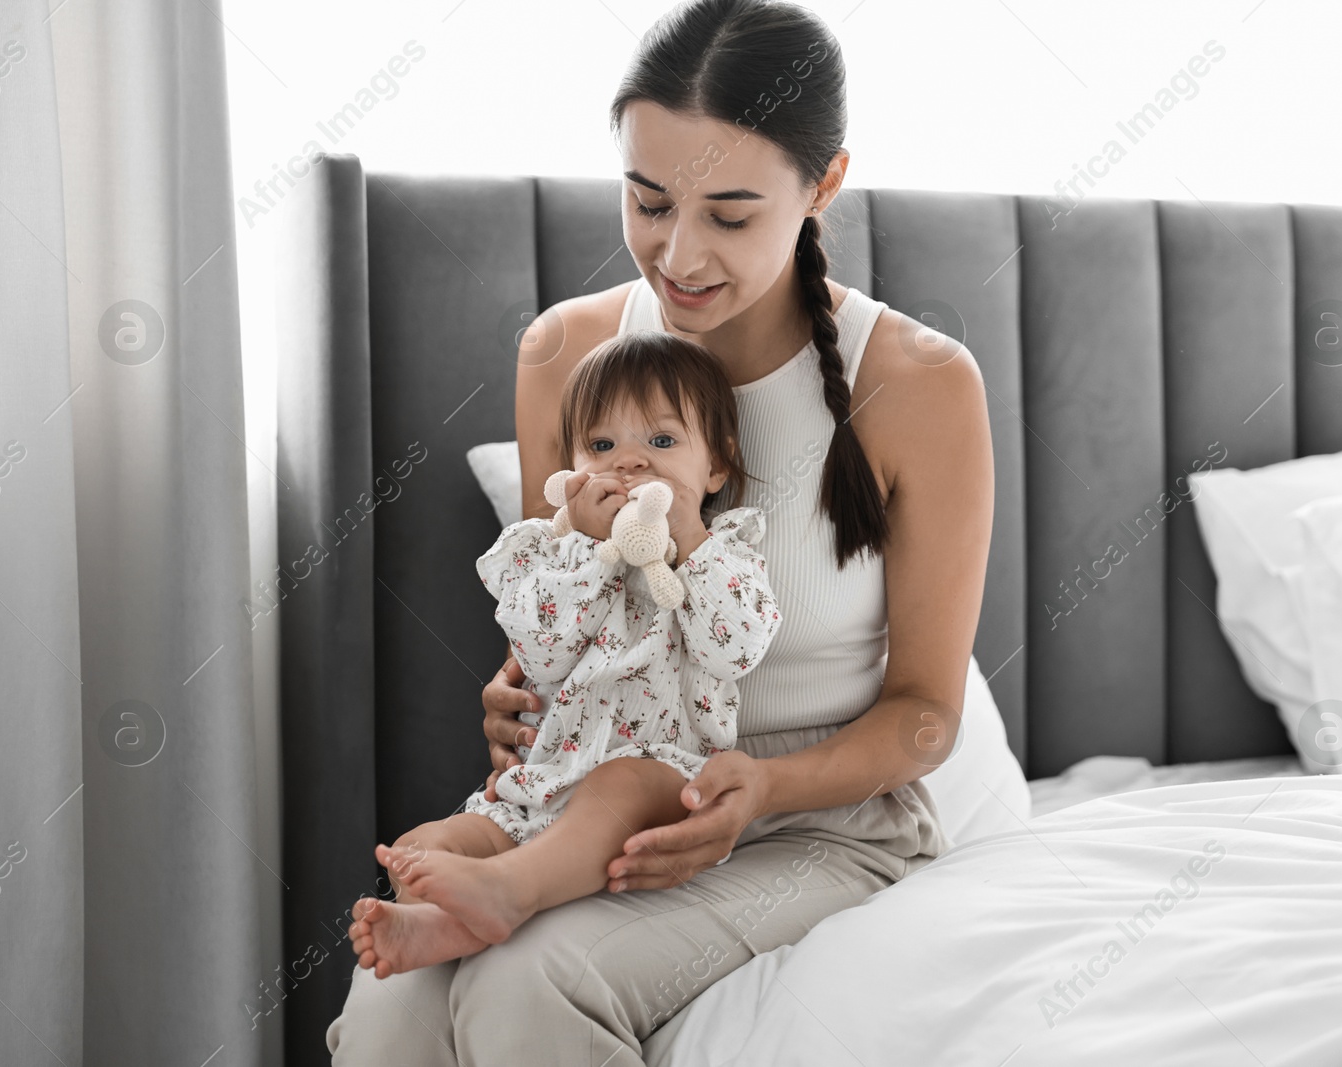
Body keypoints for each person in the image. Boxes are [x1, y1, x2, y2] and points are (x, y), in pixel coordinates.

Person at [328, 0, 994, 1061]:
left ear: (823, 184)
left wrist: (762, 784)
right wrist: (516, 686)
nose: (677, 256)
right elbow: (579, 602)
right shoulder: (567, 352)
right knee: (389, 1002)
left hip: (819, 821)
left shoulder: (915, 384)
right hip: (606, 788)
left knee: (529, 983)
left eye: (730, 215)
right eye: (647, 202)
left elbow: (925, 715)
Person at [346, 331, 783, 978]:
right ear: (569, 467)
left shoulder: (725, 551)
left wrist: (687, 536)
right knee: (422, 848)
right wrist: (585, 548)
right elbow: (540, 654)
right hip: (541, 789)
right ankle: (439, 923)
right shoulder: (549, 552)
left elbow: (735, 648)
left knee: (622, 780)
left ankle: (510, 891)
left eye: (661, 442)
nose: (629, 463)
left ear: (716, 466)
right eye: (602, 446)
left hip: (661, 780)